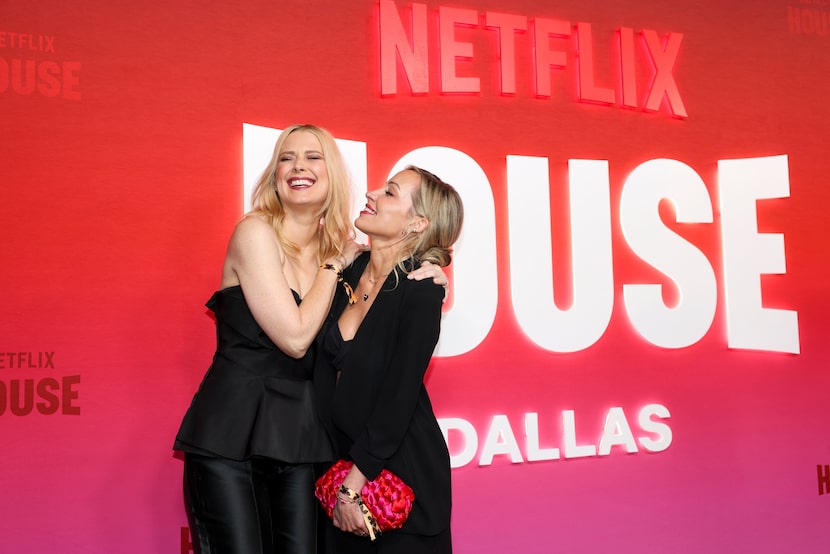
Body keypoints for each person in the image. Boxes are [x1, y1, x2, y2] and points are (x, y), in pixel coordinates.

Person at [173, 125, 446, 554]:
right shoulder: (257, 234)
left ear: (332, 175)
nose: (298, 166)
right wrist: (334, 266)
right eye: (286, 157)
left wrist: (432, 269)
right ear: (274, 175)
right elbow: (296, 338)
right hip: (233, 433)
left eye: (313, 157)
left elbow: (384, 300)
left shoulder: (342, 253)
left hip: (305, 441)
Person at [314, 166, 463, 553]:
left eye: (390, 192)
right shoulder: (350, 269)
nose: (372, 193)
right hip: (337, 472)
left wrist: (353, 486)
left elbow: (399, 397)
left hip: (396, 482)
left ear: (417, 223)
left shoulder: (421, 288)